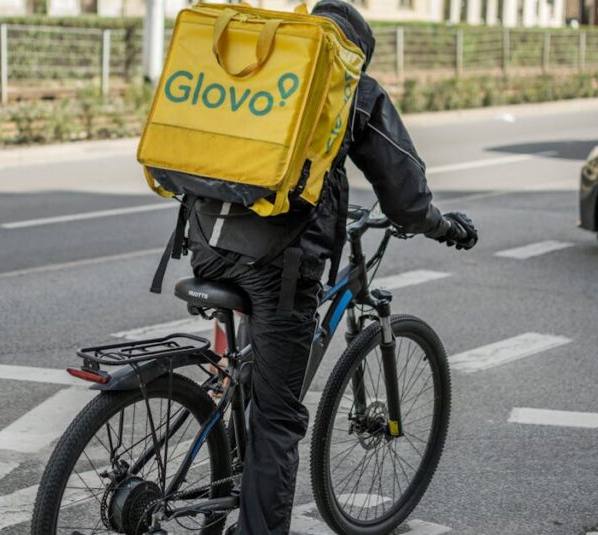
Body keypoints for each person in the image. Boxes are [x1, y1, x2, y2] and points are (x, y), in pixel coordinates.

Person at [184, 1, 479, 532]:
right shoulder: (349, 85)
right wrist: (444, 226)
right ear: (354, 55)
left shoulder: (260, 55)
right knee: (278, 418)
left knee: (256, 379)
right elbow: (405, 195)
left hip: (206, 242)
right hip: (276, 266)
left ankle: (228, 479)